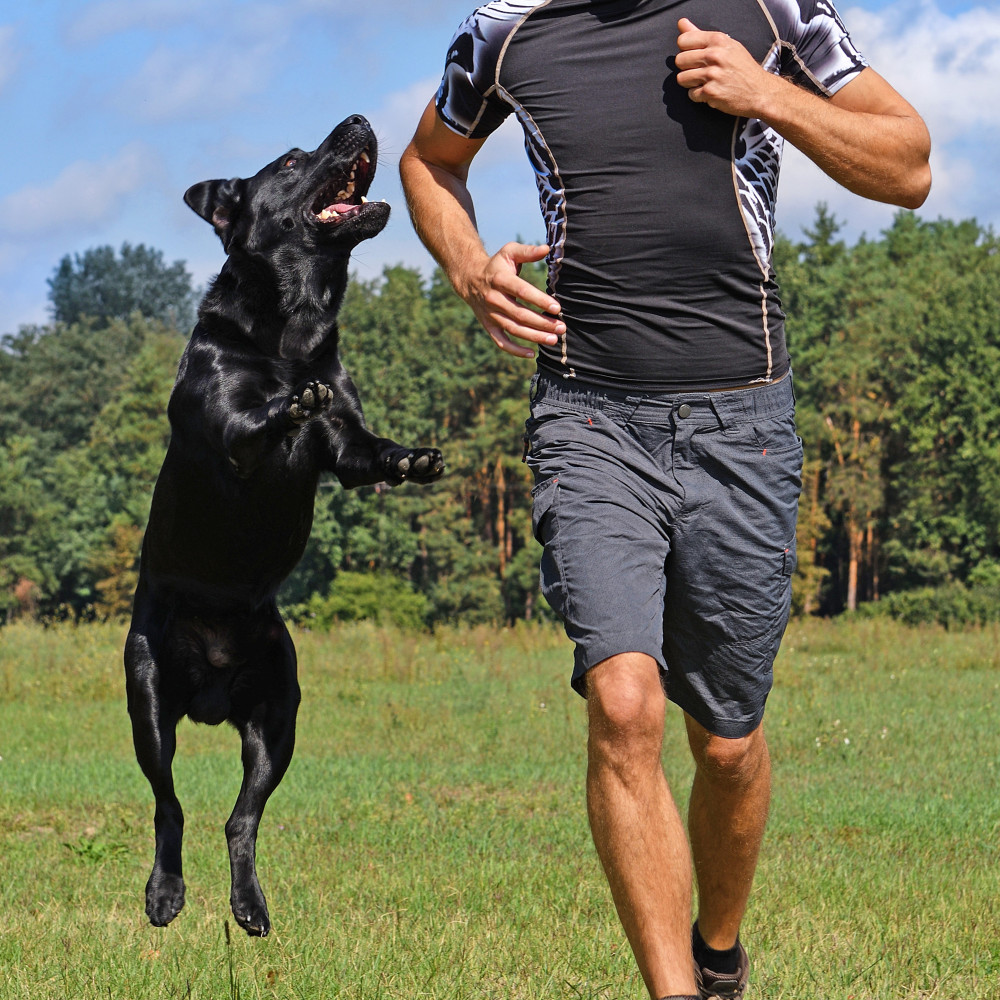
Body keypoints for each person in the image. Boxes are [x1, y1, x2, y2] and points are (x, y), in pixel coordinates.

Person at [400, 2, 930, 997]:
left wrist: (765, 93)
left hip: (743, 423)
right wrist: (470, 269)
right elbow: (430, 161)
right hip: (589, 416)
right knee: (625, 702)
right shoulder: (505, 25)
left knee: (726, 743)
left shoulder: (771, 8)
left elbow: (906, 165)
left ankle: (718, 955)